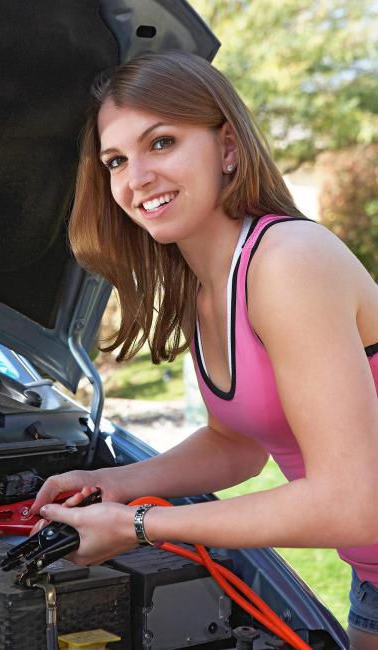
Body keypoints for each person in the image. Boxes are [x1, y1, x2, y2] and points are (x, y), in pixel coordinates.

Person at [29, 51, 378, 649]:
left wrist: (138, 526)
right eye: (116, 160)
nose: (135, 178)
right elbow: (237, 445)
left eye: (161, 142)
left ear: (228, 149)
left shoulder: (287, 260)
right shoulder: (205, 286)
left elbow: (354, 501)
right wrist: (118, 484)